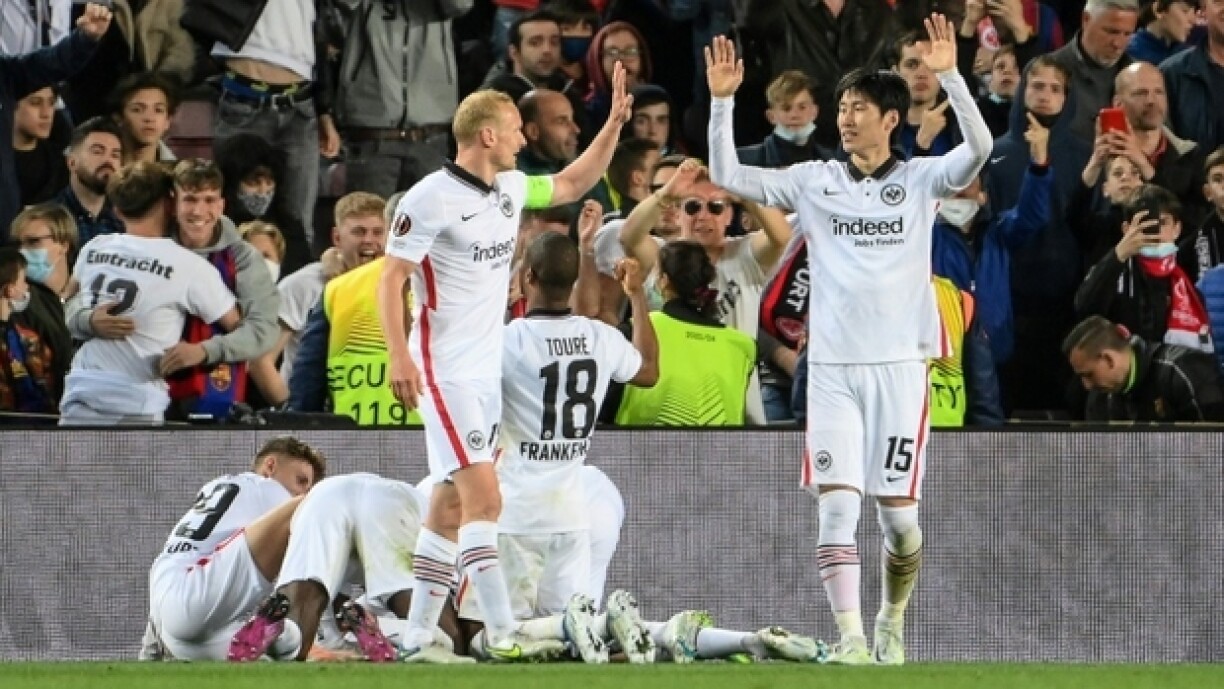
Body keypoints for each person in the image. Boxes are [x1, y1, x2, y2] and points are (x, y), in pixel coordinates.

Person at [705, 13, 991, 665]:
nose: (846, 117)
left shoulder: (919, 181)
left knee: (898, 521)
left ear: (891, 119)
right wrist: (723, 101)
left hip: (898, 371)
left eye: (859, 108)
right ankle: (852, 639)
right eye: (842, 107)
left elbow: (976, 151)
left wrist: (950, 74)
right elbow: (729, 173)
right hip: (830, 369)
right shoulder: (816, 181)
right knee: (835, 511)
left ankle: (891, 616)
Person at [376, 63, 633, 663]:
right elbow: (392, 279)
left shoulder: (511, 190)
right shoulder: (427, 199)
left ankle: (416, 635)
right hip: (444, 370)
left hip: (483, 369)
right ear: (487, 135)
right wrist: (397, 353)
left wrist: (615, 125)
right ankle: (503, 632)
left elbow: (572, 183)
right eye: (516, 129)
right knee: (486, 502)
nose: (525, 139)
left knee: (447, 508)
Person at [496, 233, 658, 661]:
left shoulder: (508, 341)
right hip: (570, 514)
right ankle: (609, 628)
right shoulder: (599, 337)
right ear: (570, 283)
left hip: (516, 512)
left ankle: (607, 628)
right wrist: (637, 297)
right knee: (566, 643)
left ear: (527, 276)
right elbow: (648, 371)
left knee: (505, 639)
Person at [60, 162, 241, 426]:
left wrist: (86, 320)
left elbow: (66, 300)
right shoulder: (188, 265)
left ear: (118, 210)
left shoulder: (94, 247)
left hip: (82, 386)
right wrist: (202, 349)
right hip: (137, 397)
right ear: (169, 203)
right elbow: (237, 325)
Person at [228, 472, 456, 663]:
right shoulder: (465, 519)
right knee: (442, 635)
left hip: (326, 495)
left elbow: (337, 607)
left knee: (305, 627)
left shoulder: (443, 487)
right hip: (393, 503)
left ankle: (282, 633)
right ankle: (380, 634)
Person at [143, 437, 326, 661]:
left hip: (170, 610)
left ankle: (266, 632)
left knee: (288, 640)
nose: (301, 491)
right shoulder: (268, 489)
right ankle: (270, 629)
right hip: (197, 593)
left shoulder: (219, 489)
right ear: (270, 466)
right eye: (300, 480)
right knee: (321, 500)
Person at [613, 241, 756, 427]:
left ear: (663, 281)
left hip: (643, 452)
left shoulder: (636, 330)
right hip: (719, 454)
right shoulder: (744, 346)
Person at [1064, 314, 1224, 421]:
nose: (1087, 385)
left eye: (1089, 374)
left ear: (1108, 359)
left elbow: (1214, 447)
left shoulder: (1182, 370)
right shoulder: (1100, 399)